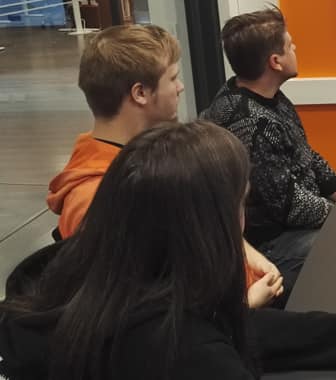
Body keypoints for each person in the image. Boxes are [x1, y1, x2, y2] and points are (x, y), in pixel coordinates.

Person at [0, 121, 336, 380]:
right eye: (240, 204)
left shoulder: (95, 281)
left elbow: (241, 328)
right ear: (207, 224)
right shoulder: (179, 351)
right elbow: (209, 343)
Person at [46, 24, 283, 308]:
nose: (180, 87)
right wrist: (245, 306)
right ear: (140, 93)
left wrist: (246, 253)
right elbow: (139, 311)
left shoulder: (150, 158)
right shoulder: (97, 199)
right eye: (172, 78)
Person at [201, 6, 336, 294]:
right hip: (272, 242)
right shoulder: (253, 124)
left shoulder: (263, 95)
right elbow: (290, 207)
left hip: (292, 222)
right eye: (290, 45)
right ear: (275, 62)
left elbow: (303, 153)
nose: (296, 48)